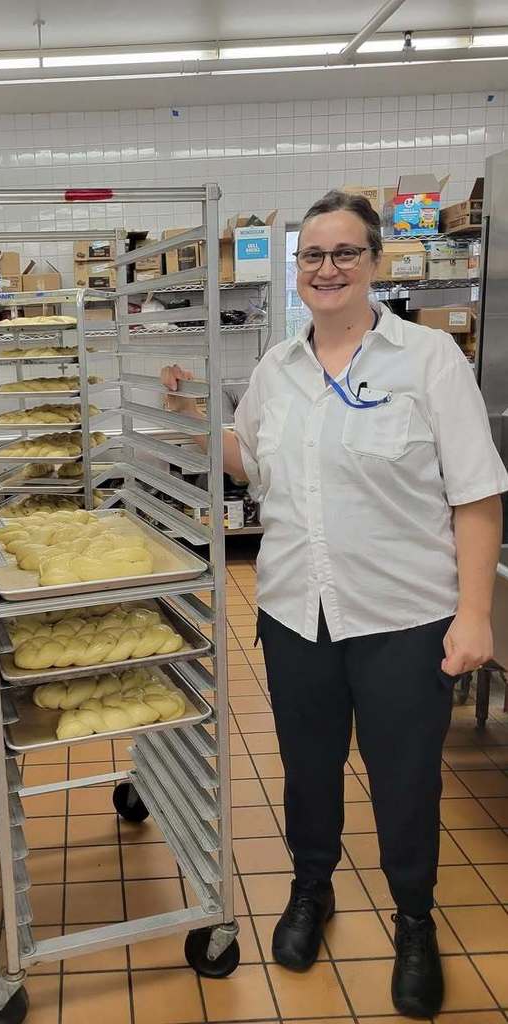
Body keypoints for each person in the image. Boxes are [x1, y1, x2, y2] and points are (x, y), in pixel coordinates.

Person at [162, 190, 507, 1019]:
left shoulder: (428, 363)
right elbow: (248, 463)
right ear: (297, 271)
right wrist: (186, 413)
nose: (326, 268)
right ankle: (309, 889)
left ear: (374, 264)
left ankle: (414, 922)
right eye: (311, 256)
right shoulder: (277, 369)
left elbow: (476, 496)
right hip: (294, 614)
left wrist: (472, 614)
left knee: (403, 779)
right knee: (306, 770)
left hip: (403, 618)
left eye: (343, 254)